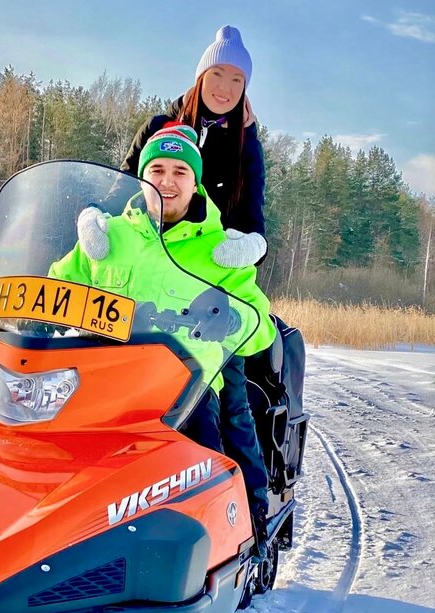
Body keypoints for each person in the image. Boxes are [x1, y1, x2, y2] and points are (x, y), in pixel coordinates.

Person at [51, 125, 275, 557]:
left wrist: (231, 319)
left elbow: (259, 326)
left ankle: (220, 545)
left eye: (179, 172)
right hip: (103, 379)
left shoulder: (220, 250)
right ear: (141, 176)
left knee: (203, 460)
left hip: (187, 387)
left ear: (195, 183)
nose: (167, 181)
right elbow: (55, 286)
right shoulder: (110, 235)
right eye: (157, 170)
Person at [121, 25, 266, 249]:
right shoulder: (159, 127)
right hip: (146, 247)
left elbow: (252, 216)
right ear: (201, 77)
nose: (225, 88)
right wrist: (97, 218)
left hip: (205, 260)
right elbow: (124, 184)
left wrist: (251, 248)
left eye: (237, 80)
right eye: (217, 74)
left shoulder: (246, 147)